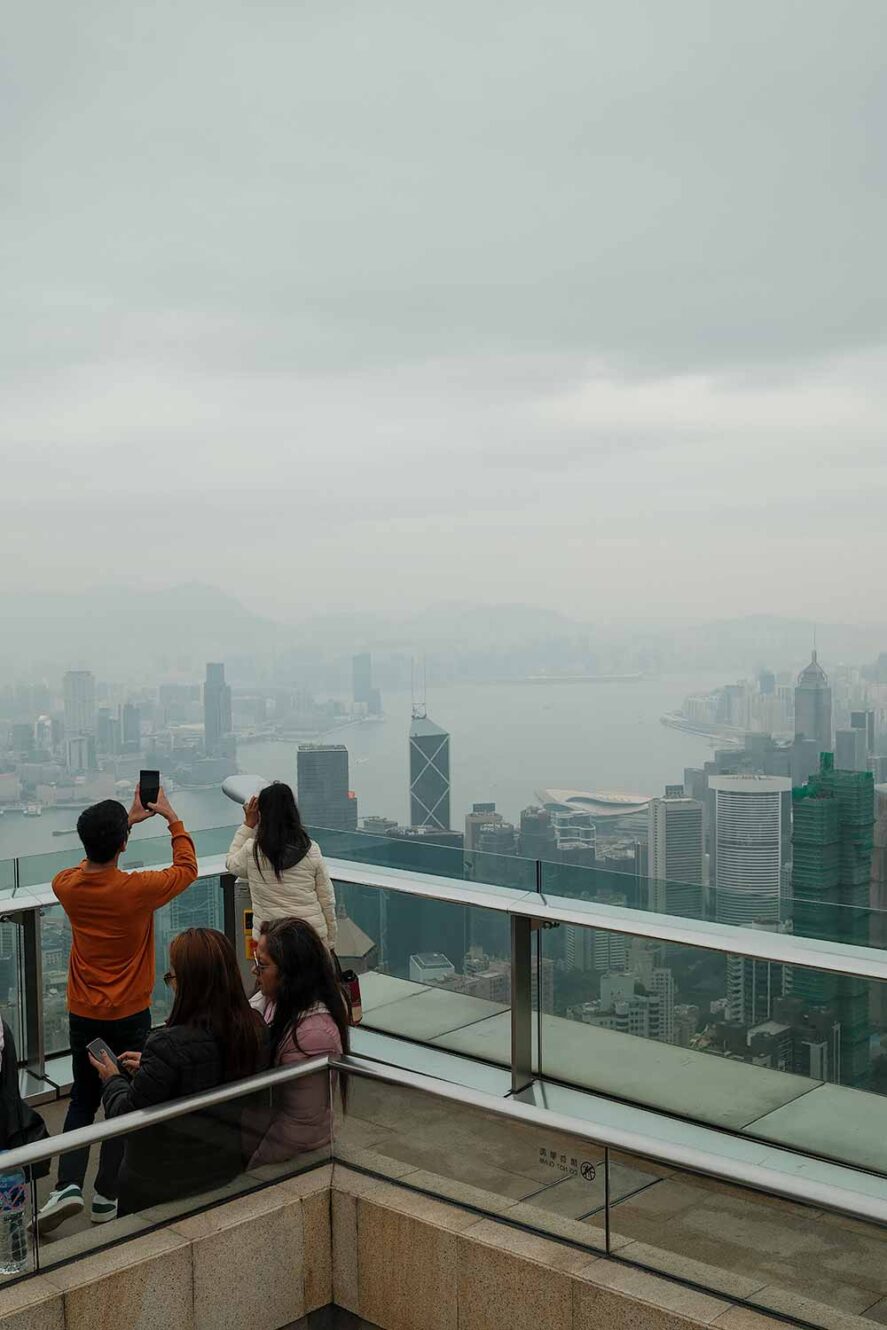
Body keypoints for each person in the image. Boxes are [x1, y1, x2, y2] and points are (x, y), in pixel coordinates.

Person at [36, 786, 198, 1234]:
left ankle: (67, 1185)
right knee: (120, 1100)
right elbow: (188, 868)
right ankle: (106, 1193)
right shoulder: (137, 890)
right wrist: (169, 817)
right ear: (123, 844)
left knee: (83, 1099)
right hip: (130, 1015)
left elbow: (86, 864)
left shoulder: (66, 886)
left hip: (83, 1012)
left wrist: (122, 824)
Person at [91, 928, 268, 1215]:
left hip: (160, 1185)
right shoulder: (255, 1029)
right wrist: (150, 1068)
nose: (171, 985)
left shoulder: (168, 1046)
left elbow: (128, 1117)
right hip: (226, 1170)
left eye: (172, 978)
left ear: (190, 984)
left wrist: (113, 1079)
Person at [248, 918, 348, 1167]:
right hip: (268, 1134)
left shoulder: (313, 1036)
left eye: (262, 965)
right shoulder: (273, 1001)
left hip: (294, 1155)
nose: (253, 971)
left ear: (290, 975)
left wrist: (254, 1163)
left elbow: (301, 1122)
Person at [225, 782, 337, 948]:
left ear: (262, 814)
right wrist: (330, 943)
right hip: (310, 940)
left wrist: (248, 824)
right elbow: (326, 900)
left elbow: (231, 863)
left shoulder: (253, 851)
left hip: (272, 943)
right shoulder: (311, 849)